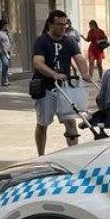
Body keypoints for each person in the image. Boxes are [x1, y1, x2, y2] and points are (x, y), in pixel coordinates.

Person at [32, 10, 93, 156]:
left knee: (70, 121)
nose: (63, 27)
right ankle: (41, 155)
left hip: (64, 88)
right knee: (43, 124)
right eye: (59, 24)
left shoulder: (69, 41)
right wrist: (54, 74)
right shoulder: (42, 41)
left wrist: (85, 74)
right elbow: (38, 63)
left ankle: (72, 153)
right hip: (45, 87)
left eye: (64, 24)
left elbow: (79, 59)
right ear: (50, 24)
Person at [0, 19, 11, 87]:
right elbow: (1, 44)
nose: (6, 26)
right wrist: (6, 53)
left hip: (7, 50)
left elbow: (7, 42)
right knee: (5, 64)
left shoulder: (5, 32)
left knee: (6, 66)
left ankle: (6, 80)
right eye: (5, 25)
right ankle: (3, 81)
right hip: (2, 51)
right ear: (2, 25)